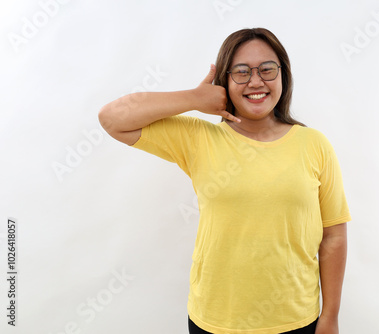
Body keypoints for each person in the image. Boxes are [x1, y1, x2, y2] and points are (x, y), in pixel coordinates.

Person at [99, 27, 351, 334]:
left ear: (283, 75)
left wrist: (331, 316)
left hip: (297, 320)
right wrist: (193, 98)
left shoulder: (314, 144)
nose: (256, 81)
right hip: (216, 322)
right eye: (242, 72)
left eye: (267, 70)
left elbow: (334, 235)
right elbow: (111, 118)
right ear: (225, 82)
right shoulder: (199, 138)